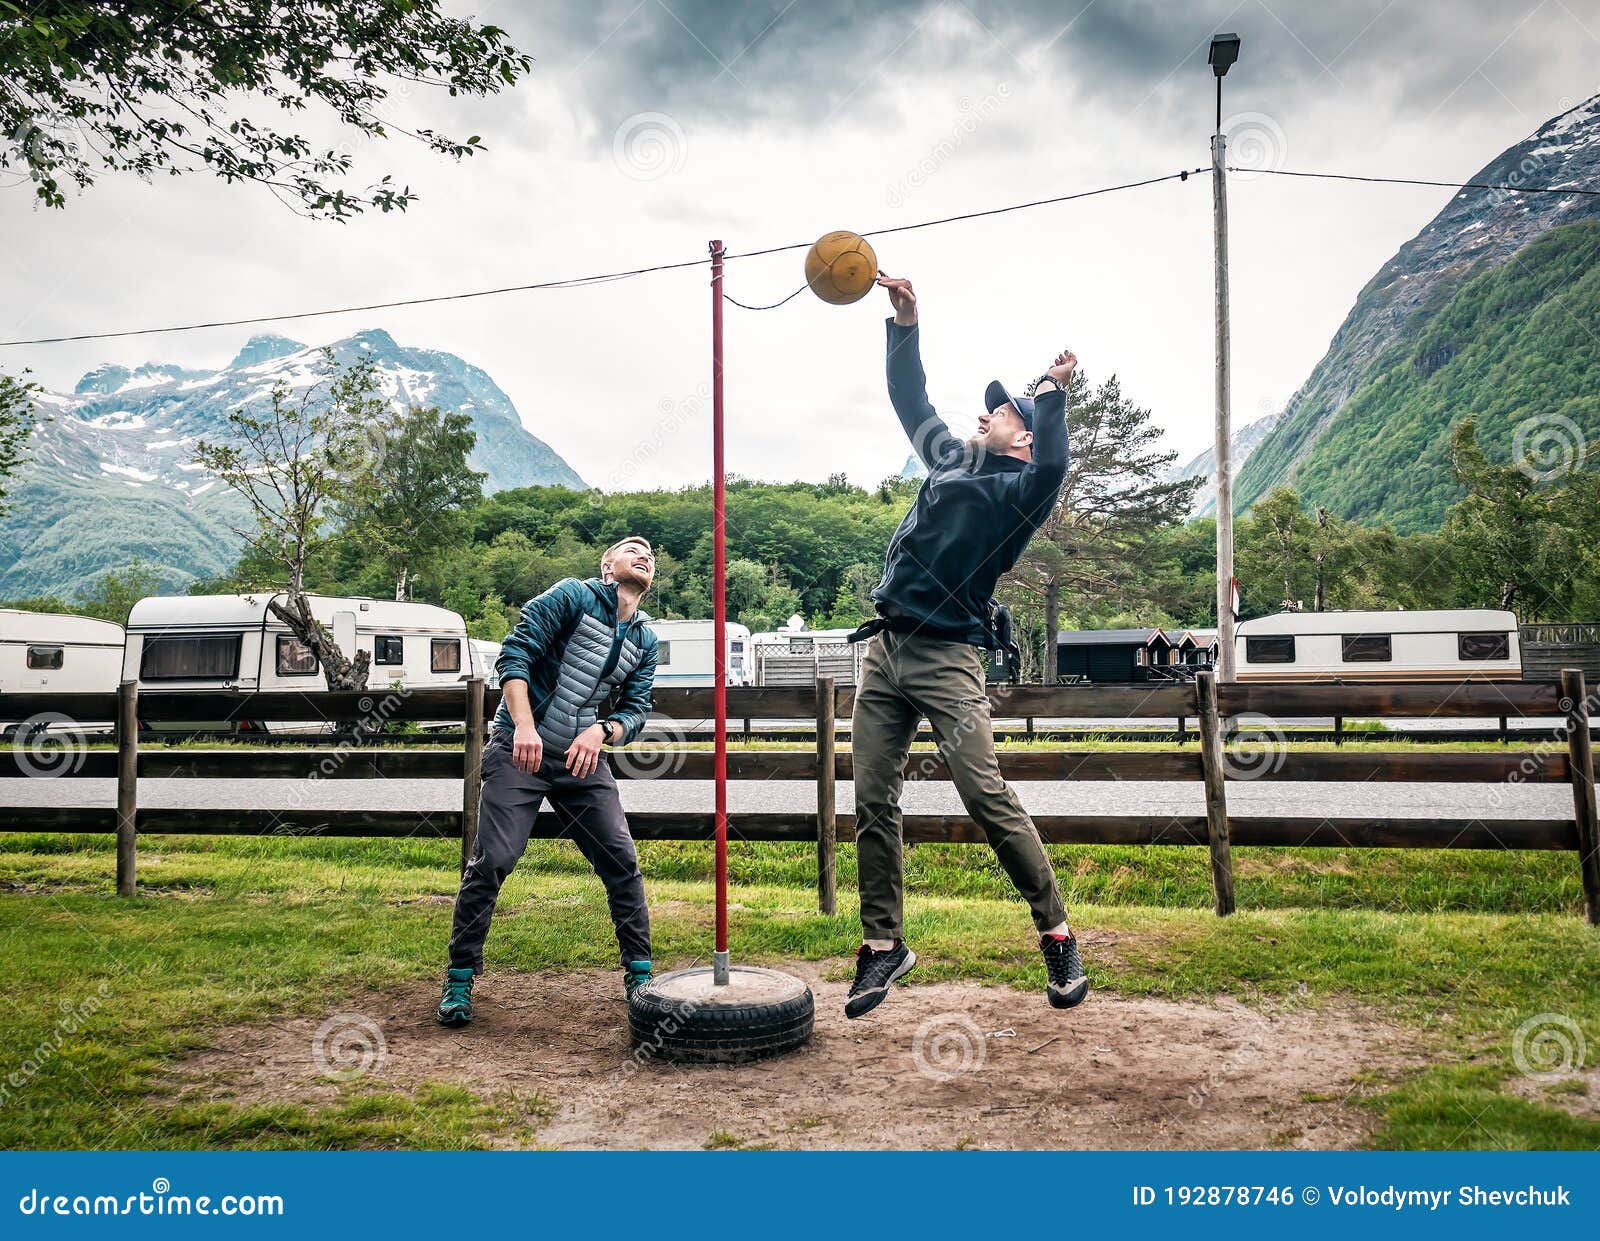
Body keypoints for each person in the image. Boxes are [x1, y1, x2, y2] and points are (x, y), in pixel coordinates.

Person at [843, 273, 1088, 1019]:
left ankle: (1056, 931)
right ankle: (884, 944)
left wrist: (1048, 390)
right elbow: (908, 398)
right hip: (885, 651)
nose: (987, 415)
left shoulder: (1021, 492)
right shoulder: (951, 456)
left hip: (949, 660)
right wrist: (907, 322)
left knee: (985, 794)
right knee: (872, 800)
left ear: (1024, 437)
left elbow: (1053, 462)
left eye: (1003, 412)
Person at [437, 537, 661, 1026]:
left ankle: (640, 978)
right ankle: (458, 981)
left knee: (621, 858)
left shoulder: (645, 638)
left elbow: (636, 709)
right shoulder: (571, 596)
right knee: (493, 859)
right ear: (607, 565)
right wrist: (523, 727)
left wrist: (603, 731)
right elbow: (513, 657)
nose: (644, 556)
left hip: (580, 762)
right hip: (519, 750)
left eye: (650, 555)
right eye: (631, 550)